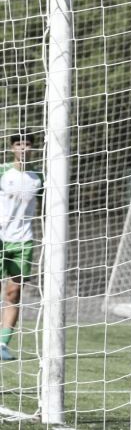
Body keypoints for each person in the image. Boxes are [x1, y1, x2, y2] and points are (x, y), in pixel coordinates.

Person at [0, 131, 43, 360]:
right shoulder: (2, 172)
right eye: (19, 144)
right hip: (0, 238)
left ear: (32, 148)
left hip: (23, 240)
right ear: (12, 148)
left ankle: (2, 344)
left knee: (13, 292)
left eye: (27, 144)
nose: (23, 148)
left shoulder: (38, 177)